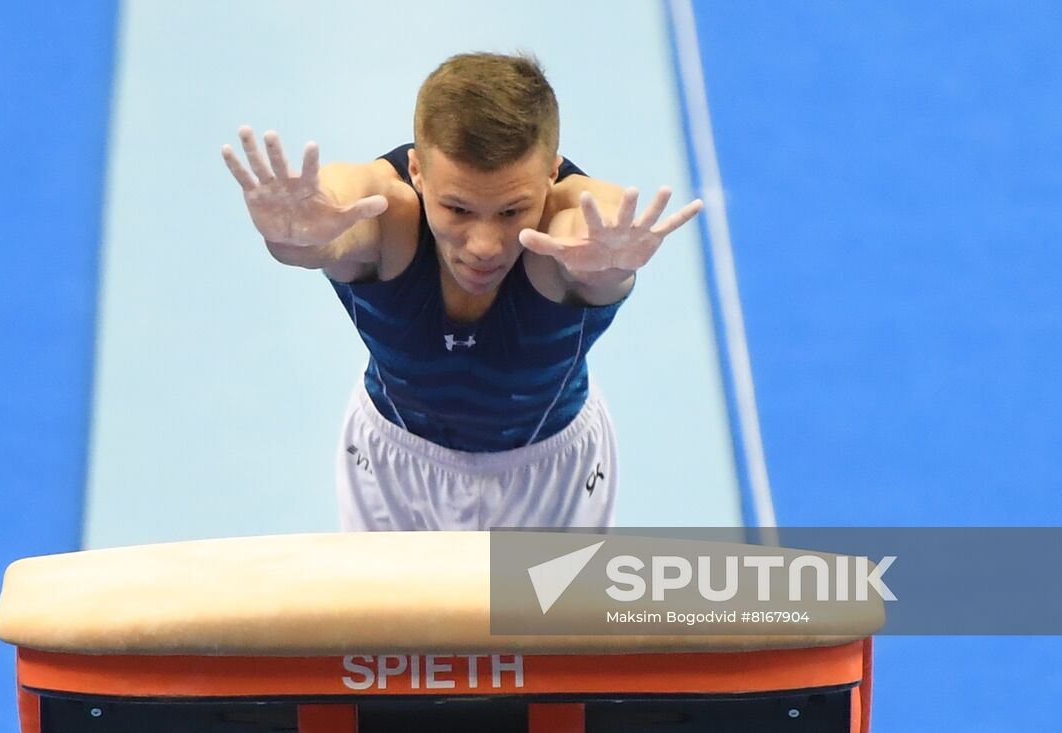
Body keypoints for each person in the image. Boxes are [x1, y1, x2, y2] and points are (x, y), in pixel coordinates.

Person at [221, 52, 702, 531]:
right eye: (457, 209)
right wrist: (296, 235)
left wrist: (609, 264)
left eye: (512, 211)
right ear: (416, 171)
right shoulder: (389, 217)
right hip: (393, 466)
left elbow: (596, 219)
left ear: (552, 173)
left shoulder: (565, 233)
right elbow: (342, 209)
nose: (484, 246)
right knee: (387, 613)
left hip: (548, 475)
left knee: (538, 611)